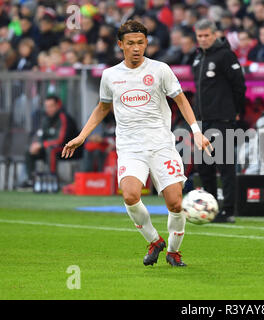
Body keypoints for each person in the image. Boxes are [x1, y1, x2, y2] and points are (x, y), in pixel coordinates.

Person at [62, 20, 212, 267]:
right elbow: (102, 107)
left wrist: (196, 131)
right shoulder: (110, 75)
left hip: (162, 145)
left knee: (175, 202)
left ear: (146, 43)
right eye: (130, 43)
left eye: (141, 43)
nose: (136, 48)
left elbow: (181, 101)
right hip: (131, 148)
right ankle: (154, 241)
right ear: (121, 44)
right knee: (131, 196)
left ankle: (173, 253)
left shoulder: (161, 69)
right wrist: (82, 135)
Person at [192, 19, 246, 223]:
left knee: (225, 165)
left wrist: (236, 111)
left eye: (207, 35)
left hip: (222, 120)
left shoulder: (225, 55)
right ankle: (212, 207)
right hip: (201, 122)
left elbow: (239, 87)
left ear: (215, 35)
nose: (204, 39)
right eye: (200, 36)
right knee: (204, 167)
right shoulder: (198, 58)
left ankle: (229, 210)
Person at [22, 95, 81, 187]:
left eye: (51, 106)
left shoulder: (64, 118)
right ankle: (31, 181)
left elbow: (60, 140)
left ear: (58, 106)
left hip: (70, 149)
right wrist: (36, 144)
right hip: (50, 147)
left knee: (51, 150)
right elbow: (41, 135)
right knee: (29, 150)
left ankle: (51, 181)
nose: (48, 109)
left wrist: (42, 145)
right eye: (46, 106)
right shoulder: (46, 119)